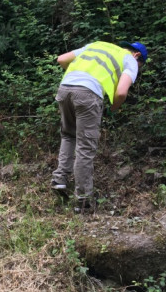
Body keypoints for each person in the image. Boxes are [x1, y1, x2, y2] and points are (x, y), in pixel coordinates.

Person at [50, 40, 148, 210]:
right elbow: (121, 92)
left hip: (65, 88)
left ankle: (59, 179)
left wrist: (78, 80)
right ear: (137, 55)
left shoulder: (97, 45)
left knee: (68, 135)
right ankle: (83, 200)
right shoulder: (130, 59)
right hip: (88, 94)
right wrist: (113, 109)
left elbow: (61, 59)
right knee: (85, 147)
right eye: (140, 66)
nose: (137, 69)